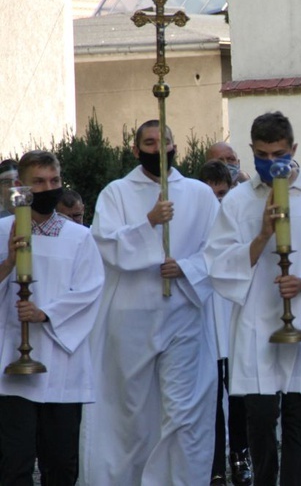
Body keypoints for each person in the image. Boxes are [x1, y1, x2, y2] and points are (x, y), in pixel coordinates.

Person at [205, 112, 301, 485]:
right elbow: (218, 262)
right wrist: (260, 236)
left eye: (277, 153)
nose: (270, 162)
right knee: (257, 416)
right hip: (255, 321)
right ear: (251, 151)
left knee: (297, 419)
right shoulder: (239, 201)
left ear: (292, 149)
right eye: (261, 154)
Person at [80, 120, 219, 485]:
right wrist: (149, 223)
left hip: (183, 315)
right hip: (131, 318)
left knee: (183, 412)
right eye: (150, 142)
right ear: (135, 148)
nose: (159, 148)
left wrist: (186, 268)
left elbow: (219, 250)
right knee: (133, 415)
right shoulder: (116, 193)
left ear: (176, 146)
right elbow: (105, 245)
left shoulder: (200, 195)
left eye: (165, 141)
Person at [0, 150, 104, 485]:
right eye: (39, 182)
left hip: (61, 365)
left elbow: (90, 292)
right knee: (14, 465)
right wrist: (10, 261)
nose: (49, 187)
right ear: (21, 186)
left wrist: (46, 313)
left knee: (60, 466)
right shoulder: (2, 231)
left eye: (54, 180)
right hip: (10, 366)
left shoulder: (79, 237)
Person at [198, 160, 252, 486]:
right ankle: (215, 461)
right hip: (205, 315)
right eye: (212, 194)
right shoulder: (193, 221)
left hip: (234, 314)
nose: (219, 201)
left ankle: (240, 454)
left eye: (224, 193)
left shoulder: (239, 220)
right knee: (210, 396)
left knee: (239, 393)